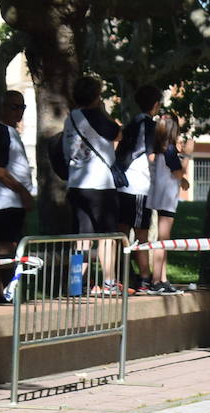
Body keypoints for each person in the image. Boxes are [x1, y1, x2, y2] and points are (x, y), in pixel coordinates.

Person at [63, 75, 123, 293]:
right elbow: (117, 134)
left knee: (83, 237)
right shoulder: (96, 116)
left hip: (77, 184)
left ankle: (76, 284)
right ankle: (109, 282)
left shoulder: (70, 118)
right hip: (100, 186)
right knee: (107, 237)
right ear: (96, 96)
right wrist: (104, 111)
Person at [0, 90, 35, 302]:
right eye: (14, 107)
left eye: (22, 107)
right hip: (6, 201)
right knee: (8, 246)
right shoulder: (1, 131)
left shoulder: (11, 131)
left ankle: (1, 290)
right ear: (3, 107)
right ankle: (3, 290)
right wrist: (23, 192)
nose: (19, 112)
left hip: (14, 202)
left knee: (13, 245)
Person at [116, 85, 162, 292]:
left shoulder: (131, 124)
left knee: (122, 231)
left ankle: (120, 274)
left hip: (123, 184)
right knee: (142, 235)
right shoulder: (150, 126)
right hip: (139, 186)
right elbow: (152, 156)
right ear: (155, 105)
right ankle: (144, 277)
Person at [145, 112, 187, 295]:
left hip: (162, 197)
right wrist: (188, 155)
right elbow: (178, 172)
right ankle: (157, 280)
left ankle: (162, 278)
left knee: (164, 240)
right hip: (166, 198)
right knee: (163, 240)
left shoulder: (161, 149)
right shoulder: (169, 149)